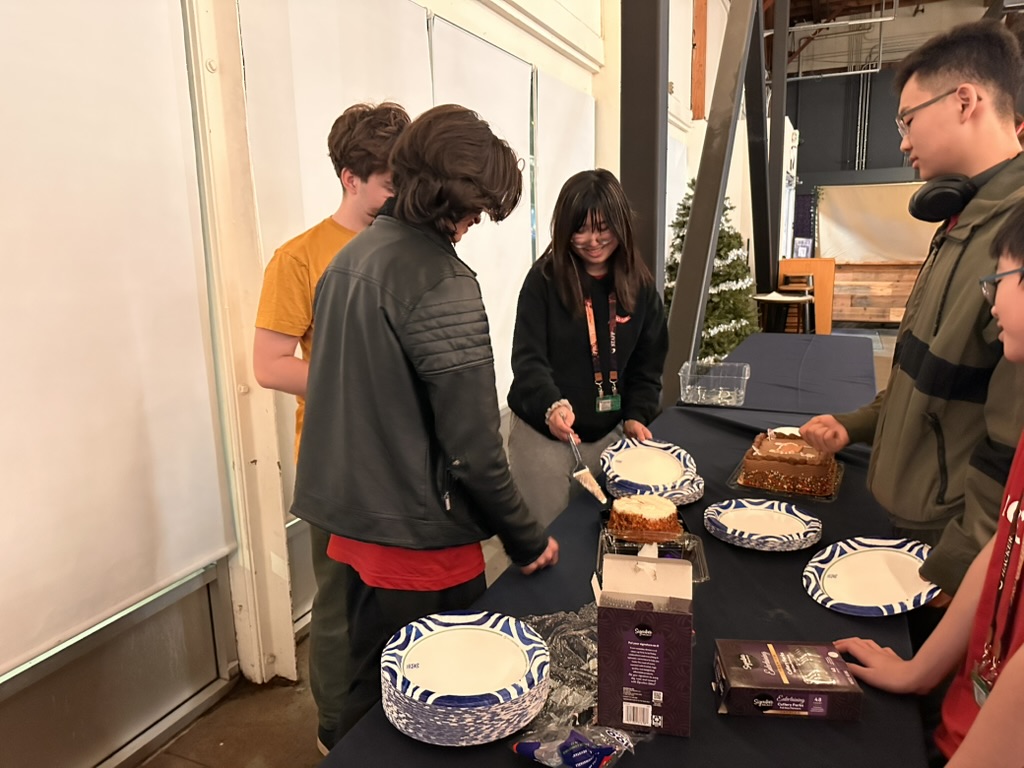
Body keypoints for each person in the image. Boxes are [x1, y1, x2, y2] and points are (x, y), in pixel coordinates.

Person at [290, 104, 559, 748]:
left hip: (353, 522)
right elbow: (474, 448)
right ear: (451, 198)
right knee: (448, 705)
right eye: (476, 209)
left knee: (368, 689)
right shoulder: (442, 280)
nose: (475, 224)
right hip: (418, 537)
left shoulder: (349, 261)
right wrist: (525, 538)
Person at [801, 20, 1024, 597]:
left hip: (948, 556)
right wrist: (855, 425)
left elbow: (1012, 446)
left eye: (907, 120)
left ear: (965, 101)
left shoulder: (1013, 237)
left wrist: (956, 574)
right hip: (913, 528)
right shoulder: (961, 221)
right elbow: (927, 372)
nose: (902, 142)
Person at [835, 201, 1024, 767]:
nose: (991, 300)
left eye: (1001, 278)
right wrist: (918, 671)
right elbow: (1005, 546)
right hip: (961, 723)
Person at [251, 101, 410, 755]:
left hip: (405, 457)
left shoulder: (409, 248)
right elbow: (268, 364)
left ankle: (396, 714)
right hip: (338, 462)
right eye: (391, 184)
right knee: (342, 600)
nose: (404, 196)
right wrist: (359, 380)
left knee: (398, 595)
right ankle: (336, 732)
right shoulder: (299, 259)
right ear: (350, 177)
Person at [506, 169, 669, 527]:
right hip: (543, 434)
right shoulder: (543, 280)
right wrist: (551, 406)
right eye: (579, 229)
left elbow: (647, 365)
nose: (592, 241)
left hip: (610, 433)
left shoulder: (641, 287)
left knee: (606, 533)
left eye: (603, 228)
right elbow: (528, 359)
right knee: (544, 539)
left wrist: (637, 415)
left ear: (621, 225)